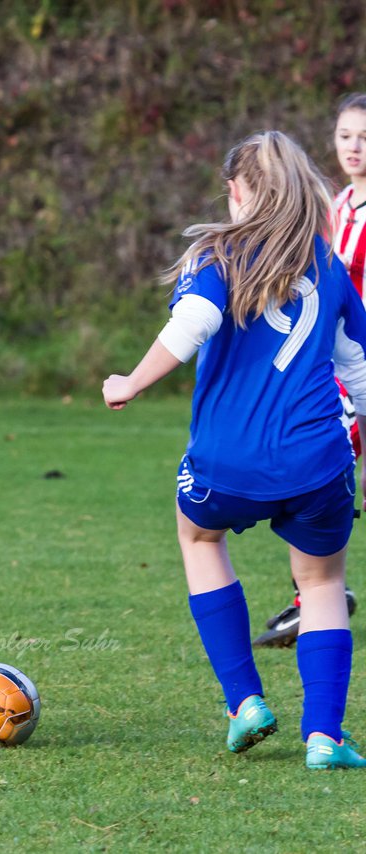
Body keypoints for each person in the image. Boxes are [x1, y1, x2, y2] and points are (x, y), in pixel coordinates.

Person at [103, 131, 366, 769]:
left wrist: (131, 381)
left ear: (239, 192)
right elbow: (357, 371)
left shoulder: (217, 257)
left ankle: (245, 701)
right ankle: (324, 737)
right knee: (322, 581)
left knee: (199, 538)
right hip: (319, 458)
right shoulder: (329, 267)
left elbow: (191, 324)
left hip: (228, 461)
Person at [254, 94, 366, 647]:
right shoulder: (336, 205)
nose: (354, 146)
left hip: (358, 364)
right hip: (331, 367)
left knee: (327, 469)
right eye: (346, 135)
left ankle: (318, 593)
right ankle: (318, 593)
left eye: (364, 137)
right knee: (316, 469)